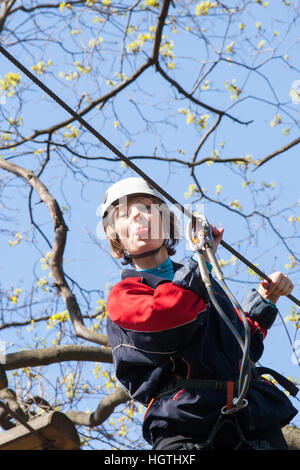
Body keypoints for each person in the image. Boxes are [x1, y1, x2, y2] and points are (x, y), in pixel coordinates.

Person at [102, 177, 298, 450]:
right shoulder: (125, 296)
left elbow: (239, 346)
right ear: (116, 237)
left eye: (147, 208)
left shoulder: (205, 285)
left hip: (251, 425)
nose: (137, 216)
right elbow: (169, 317)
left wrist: (266, 299)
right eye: (124, 214)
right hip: (187, 429)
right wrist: (200, 263)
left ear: (166, 223)